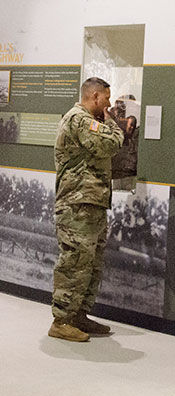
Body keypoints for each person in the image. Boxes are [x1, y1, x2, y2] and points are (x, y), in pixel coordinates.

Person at [49, 77, 124, 342]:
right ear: (94, 97)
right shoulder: (80, 120)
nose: (109, 104)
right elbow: (111, 144)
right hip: (77, 205)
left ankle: (78, 315)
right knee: (75, 261)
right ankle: (62, 320)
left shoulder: (89, 121)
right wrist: (114, 124)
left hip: (90, 203)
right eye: (106, 98)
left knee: (90, 263)